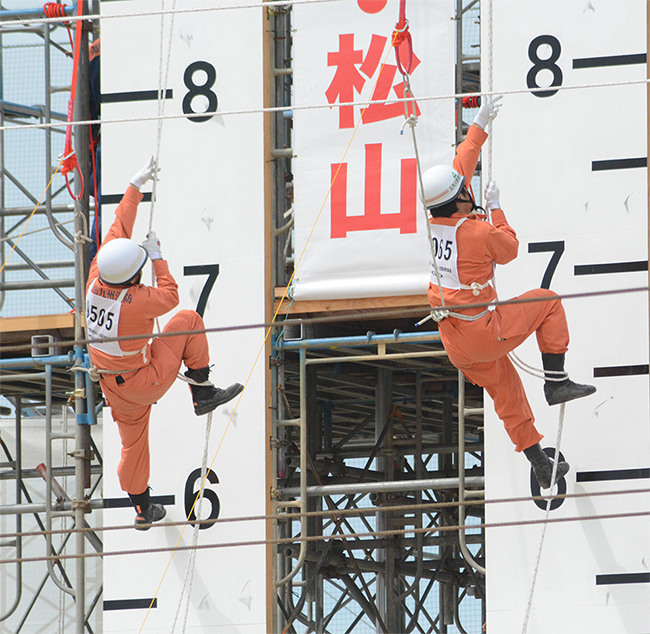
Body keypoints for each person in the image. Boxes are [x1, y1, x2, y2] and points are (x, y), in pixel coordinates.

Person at [421, 97, 596, 489]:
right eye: (465, 189)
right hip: (483, 329)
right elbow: (510, 249)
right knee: (547, 302)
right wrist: (496, 209)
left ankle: (539, 462)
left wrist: (479, 125)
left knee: (506, 392)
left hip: (456, 342)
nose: (469, 186)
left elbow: (460, 167)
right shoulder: (478, 232)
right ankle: (555, 381)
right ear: (460, 198)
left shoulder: (436, 223)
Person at [86, 158, 243, 530]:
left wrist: (134, 186)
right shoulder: (138, 301)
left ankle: (142, 507)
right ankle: (202, 392)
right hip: (143, 380)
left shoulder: (96, 277)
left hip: (113, 385)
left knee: (132, 446)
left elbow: (118, 229)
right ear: (133, 277)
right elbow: (170, 296)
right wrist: (157, 256)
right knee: (188, 321)